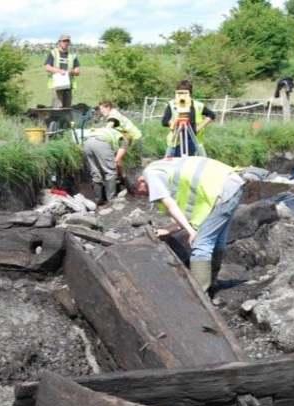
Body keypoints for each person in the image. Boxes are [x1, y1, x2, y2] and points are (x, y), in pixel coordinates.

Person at [128, 157, 245, 296]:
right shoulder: (162, 168)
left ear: (140, 181)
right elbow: (189, 214)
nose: (144, 196)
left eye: (138, 191)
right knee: (217, 240)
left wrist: (191, 232)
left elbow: (170, 205)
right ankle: (212, 283)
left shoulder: (150, 175)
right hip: (229, 184)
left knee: (201, 244)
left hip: (221, 190)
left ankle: (200, 296)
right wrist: (169, 230)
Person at [160, 80, 215, 158]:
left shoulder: (197, 105)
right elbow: (164, 121)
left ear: (190, 93)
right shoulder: (172, 104)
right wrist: (174, 123)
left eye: (185, 93)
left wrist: (199, 127)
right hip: (176, 140)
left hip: (193, 140)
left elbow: (211, 115)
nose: (182, 96)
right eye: (180, 93)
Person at [78, 126, 125, 205]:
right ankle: (111, 199)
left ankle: (98, 200)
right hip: (100, 142)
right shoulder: (124, 139)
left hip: (87, 142)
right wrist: (119, 174)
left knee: (96, 172)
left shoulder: (108, 131)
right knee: (111, 172)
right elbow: (117, 160)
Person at [97, 101, 142, 173]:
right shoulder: (113, 113)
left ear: (108, 107)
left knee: (118, 159)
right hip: (126, 137)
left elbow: (108, 128)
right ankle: (121, 176)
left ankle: (125, 176)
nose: (101, 111)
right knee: (119, 158)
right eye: (100, 109)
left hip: (132, 137)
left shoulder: (113, 116)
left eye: (102, 109)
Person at [44, 34, 80, 109]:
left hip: (68, 84)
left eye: (67, 41)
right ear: (59, 42)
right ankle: (57, 120)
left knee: (67, 107)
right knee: (57, 107)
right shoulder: (53, 53)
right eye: (64, 41)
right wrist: (59, 71)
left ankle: (66, 121)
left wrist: (71, 71)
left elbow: (77, 71)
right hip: (57, 84)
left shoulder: (72, 55)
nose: (66, 43)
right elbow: (47, 67)